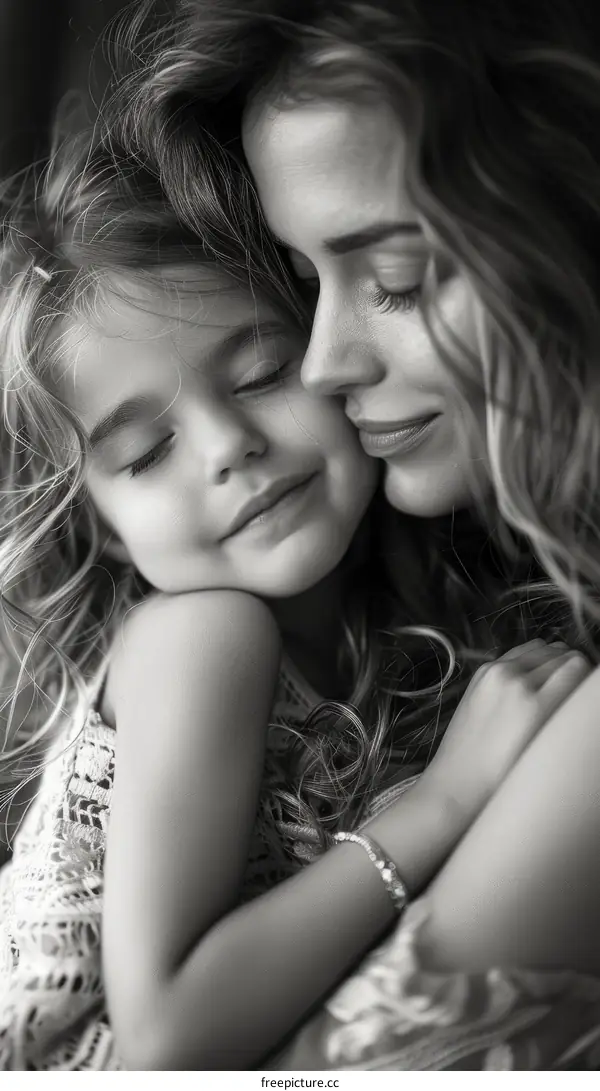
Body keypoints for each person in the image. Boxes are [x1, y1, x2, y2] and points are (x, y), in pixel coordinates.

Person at [2, 119, 588, 1070]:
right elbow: (167, 1040)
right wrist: (447, 798)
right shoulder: (200, 637)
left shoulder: (426, 615)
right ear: (104, 524)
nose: (228, 445)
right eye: (147, 453)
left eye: (263, 373)